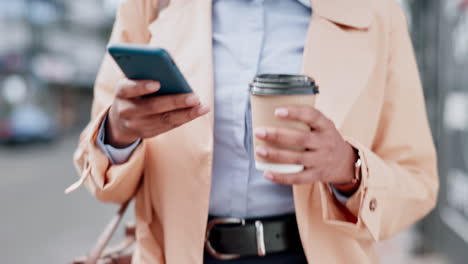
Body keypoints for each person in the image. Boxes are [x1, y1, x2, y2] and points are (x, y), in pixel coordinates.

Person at [69, 0, 439, 263]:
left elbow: (418, 181)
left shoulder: (377, 12)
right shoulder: (154, 5)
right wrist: (118, 132)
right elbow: (99, 175)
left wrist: (347, 167)